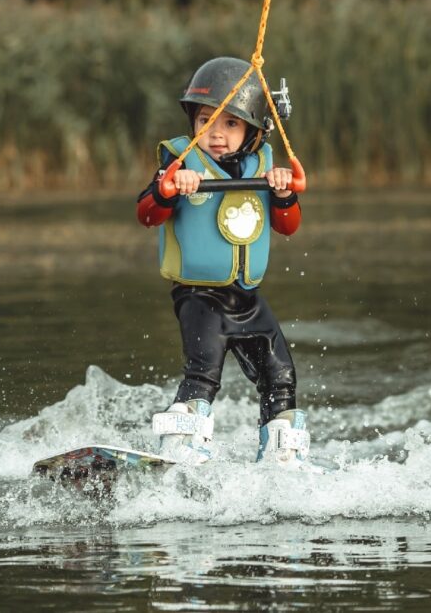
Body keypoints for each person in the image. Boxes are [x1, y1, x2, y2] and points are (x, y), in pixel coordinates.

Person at [136, 56, 318, 469]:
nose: (216, 133)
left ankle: (281, 451)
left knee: (280, 375)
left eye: (230, 123)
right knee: (204, 372)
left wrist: (284, 193)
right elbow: (146, 214)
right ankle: (181, 443)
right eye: (206, 120)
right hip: (199, 297)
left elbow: (288, 226)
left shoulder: (264, 166)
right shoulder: (179, 163)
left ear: (253, 130)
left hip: (247, 298)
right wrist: (169, 189)